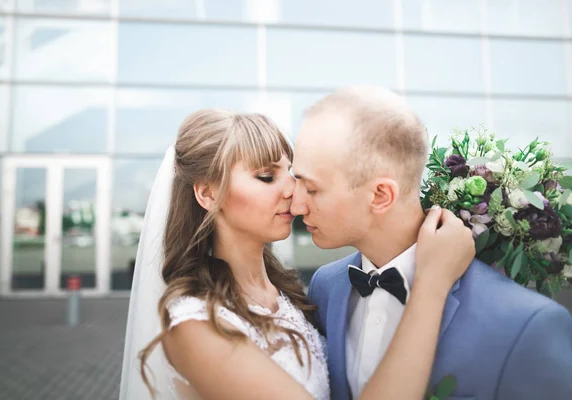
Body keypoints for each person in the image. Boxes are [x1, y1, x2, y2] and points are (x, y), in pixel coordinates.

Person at [119, 109, 476, 400]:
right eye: (265, 176)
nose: (292, 189)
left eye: (290, 172)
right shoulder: (196, 327)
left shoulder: (297, 291)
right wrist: (432, 282)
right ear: (208, 195)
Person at [291, 85, 572, 400]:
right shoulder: (326, 288)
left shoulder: (528, 325)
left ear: (381, 195)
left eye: (312, 189)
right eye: (296, 181)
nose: (296, 206)